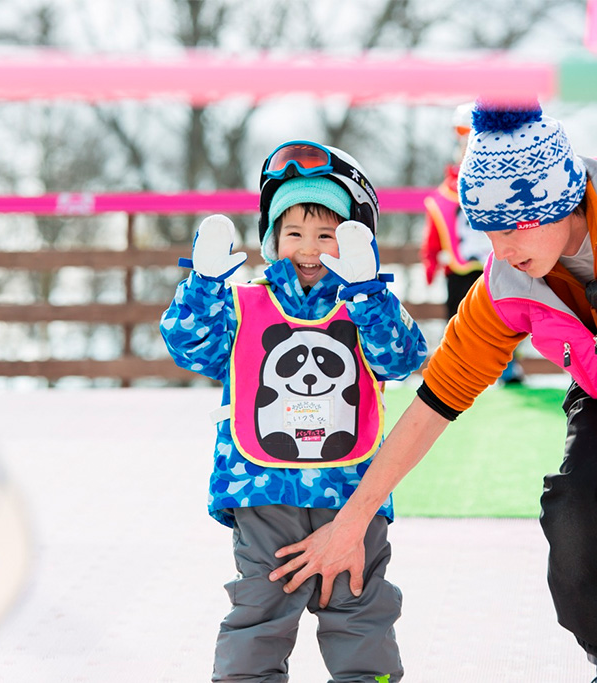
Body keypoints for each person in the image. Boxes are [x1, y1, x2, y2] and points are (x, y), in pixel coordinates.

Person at [267, 103, 597, 683]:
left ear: (560, 201)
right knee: (576, 521)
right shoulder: (507, 284)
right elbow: (436, 400)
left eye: (513, 226)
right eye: (487, 230)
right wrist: (351, 520)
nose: (500, 251)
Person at [160, 140, 427, 683]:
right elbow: (192, 347)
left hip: (352, 492)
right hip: (261, 491)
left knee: (360, 610)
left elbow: (402, 359)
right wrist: (203, 285)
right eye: (295, 233)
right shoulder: (246, 306)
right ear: (273, 240)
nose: (309, 248)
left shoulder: (366, 305)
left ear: (351, 239)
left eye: (326, 234)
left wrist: (368, 291)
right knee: (260, 614)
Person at [420, 104, 523, 383]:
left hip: (496, 261)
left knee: (505, 315)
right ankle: (453, 371)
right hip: (460, 266)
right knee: (457, 318)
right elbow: (434, 231)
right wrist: (430, 261)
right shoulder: (446, 194)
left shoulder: (504, 185)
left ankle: (509, 369)